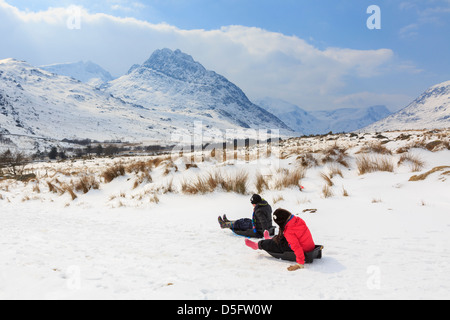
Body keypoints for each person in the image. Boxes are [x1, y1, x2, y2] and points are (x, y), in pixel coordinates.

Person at [245, 208, 315, 271]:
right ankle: (270, 239)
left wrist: (300, 263)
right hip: (309, 245)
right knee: (283, 237)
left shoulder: (289, 231)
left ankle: (257, 245)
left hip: (303, 249)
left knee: (275, 244)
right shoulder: (298, 220)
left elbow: (296, 246)